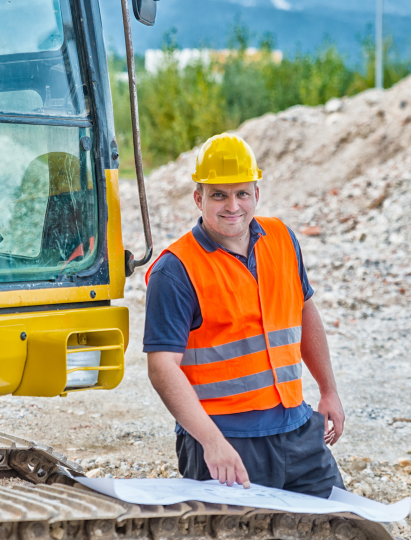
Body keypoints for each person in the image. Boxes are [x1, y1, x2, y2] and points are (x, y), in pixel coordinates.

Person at [144, 133, 346, 498]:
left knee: (343, 522)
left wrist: (328, 390)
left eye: (242, 193)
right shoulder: (175, 270)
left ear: (256, 193)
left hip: (297, 430)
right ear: (198, 198)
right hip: (228, 441)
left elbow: (303, 309)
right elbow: (162, 367)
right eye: (218, 194)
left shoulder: (281, 237)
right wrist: (211, 442)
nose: (232, 205)